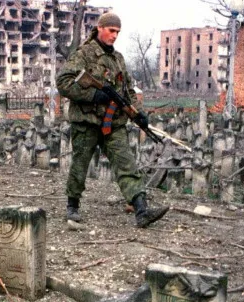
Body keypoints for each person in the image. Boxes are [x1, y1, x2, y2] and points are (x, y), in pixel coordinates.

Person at [56, 12, 168, 228]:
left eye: (118, 32)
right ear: (100, 28)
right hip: (87, 122)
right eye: (111, 30)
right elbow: (63, 82)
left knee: (126, 163)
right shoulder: (84, 54)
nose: (115, 35)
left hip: (113, 123)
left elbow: (128, 92)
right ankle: (73, 206)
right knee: (79, 165)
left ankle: (141, 209)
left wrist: (139, 113)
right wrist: (92, 95)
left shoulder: (118, 59)